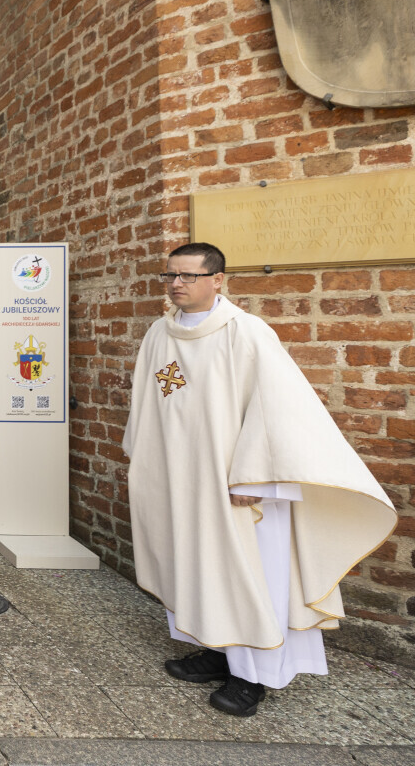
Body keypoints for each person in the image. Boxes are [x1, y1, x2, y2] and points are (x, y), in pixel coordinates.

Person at [124, 242, 396, 717]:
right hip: (183, 478)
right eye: (170, 275)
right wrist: (147, 461)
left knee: (250, 574)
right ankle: (216, 649)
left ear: (218, 280)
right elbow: (150, 402)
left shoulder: (246, 333)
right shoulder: (160, 333)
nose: (176, 284)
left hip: (239, 483)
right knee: (199, 564)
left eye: (188, 275)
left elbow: (275, 410)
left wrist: (254, 478)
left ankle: (255, 675)